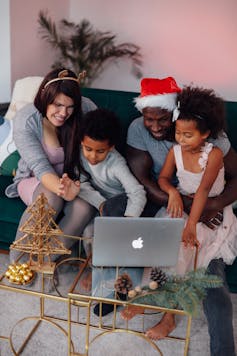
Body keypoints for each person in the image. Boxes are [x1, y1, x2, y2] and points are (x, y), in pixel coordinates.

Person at [122, 77, 237, 356]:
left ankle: (167, 315)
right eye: (150, 119)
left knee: (187, 259)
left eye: (163, 120)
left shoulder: (214, 148)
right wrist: (173, 194)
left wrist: (201, 215)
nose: (157, 126)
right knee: (155, 247)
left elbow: (205, 191)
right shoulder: (167, 143)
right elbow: (153, 179)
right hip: (177, 206)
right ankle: (147, 296)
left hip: (207, 213)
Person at [6, 68, 98, 263]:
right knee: (49, 198)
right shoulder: (27, 120)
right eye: (57, 105)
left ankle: (44, 261)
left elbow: (97, 150)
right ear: (44, 97)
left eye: (70, 106)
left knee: (84, 208)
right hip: (35, 178)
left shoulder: (87, 110)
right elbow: (40, 168)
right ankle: (18, 263)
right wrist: (65, 190)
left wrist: (76, 186)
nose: (64, 113)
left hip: (74, 180)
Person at [158, 85, 237, 274]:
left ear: (205, 134)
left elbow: (203, 189)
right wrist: (172, 191)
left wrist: (191, 225)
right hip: (185, 206)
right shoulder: (174, 152)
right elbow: (163, 178)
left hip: (208, 207)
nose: (181, 140)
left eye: (188, 135)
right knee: (165, 251)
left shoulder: (214, 155)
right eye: (178, 133)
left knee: (191, 250)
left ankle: (183, 292)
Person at [78, 108, 146, 218]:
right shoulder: (80, 154)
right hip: (101, 204)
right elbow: (80, 183)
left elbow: (137, 192)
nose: (93, 156)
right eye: (88, 149)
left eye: (100, 151)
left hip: (121, 204)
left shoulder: (116, 163)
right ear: (82, 142)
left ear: (111, 148)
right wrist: (100, 203)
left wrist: (130, 218)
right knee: (88, 231)